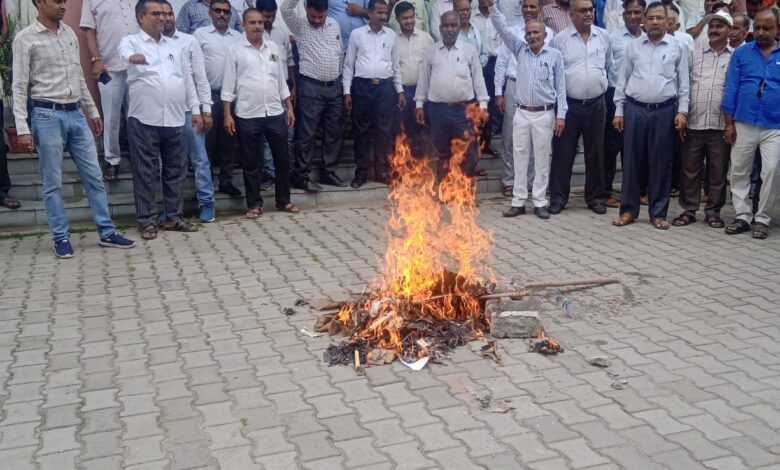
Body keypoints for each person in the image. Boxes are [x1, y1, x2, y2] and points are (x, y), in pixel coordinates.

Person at [12, 0, 135, 257]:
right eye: (57, 1)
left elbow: (78, 76)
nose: (63, 6)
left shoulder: (68, 33)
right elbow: (19, 86)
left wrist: (92, 111)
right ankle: (60, 236)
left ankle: (106, 231)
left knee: (94, 176)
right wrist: (22, 128)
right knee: (53, 181)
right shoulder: (25, 38)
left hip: (76, 114)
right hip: (46, 114)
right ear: (39, 2)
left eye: (65, 1)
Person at [120, 0, 201, 239]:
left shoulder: (174, 46)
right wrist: (132, 57)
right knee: (145, 171)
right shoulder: (131, 42)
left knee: (176, 169)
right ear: (141, 17)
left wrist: (196, 109)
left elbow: (187, 80)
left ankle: (173, 217)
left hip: (175, 117)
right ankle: (147, 221)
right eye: (155, 13)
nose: (162, 18)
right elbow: (123, 54)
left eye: (164, 14)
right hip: (144, 117)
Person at [612, 2, 689, 229]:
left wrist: (682, 111)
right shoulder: (634, 46)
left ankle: (658, 213)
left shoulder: (678, 47)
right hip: (635, 109)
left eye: (659, 18)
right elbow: (622, 79)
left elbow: (684, 83)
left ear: (668, 21)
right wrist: (619, 110)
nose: (655, 22)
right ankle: (628, 210)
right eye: (651, 18)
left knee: (661, 162)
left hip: (664, 111)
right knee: (631, 162)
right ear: (644, 21)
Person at [489, 3, 567, 219]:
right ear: (524, 36)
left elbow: (561, 87)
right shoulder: (519, 50)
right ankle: (518, 201)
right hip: (522, 113)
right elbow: (502, 27)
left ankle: (540, 202)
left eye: (536, 33)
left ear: (545, 35)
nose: (532, 36)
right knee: (520, 156)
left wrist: (561, 115)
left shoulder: (554, 55)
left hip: (545, 113)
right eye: (529, 33)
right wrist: (492, 7)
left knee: (541, 159)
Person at [222, 8, 300, 218]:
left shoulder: (272, 48)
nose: (257, 26)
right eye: (252, 23)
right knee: (251, 162)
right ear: (243, 25)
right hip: (247, 114)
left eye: (260, 22)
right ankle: (254, 204)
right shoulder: (235, 50)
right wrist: (227, 114)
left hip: (274, 112)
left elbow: (281, 81)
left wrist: (289, 107)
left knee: (282, 159)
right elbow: (228, 85)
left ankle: (283, 200)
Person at [548, 0, 612, 215]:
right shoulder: (559, 40)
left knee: (596, 153)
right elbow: (554, 74)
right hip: (569, 105)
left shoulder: (603, 36)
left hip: (597, 103)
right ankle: (558, 198)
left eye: (591, 10)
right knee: (563, 153)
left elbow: (608, 65)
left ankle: (595, 198)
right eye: (583, 10)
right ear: (572, 14)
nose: (588, 14)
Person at [722, 8, 780, 239]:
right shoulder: (741, 53)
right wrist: (729, 124)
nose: (761, 32)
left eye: (767, 28)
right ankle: (743, 216)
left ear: (778, 29)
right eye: (757, 28)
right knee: (739, 170)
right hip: (744, 121)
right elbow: (731, 88)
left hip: (775, 125)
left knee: (771, 171)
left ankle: (762, 218)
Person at [672, 9, 733, 229]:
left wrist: (731, 124)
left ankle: (713, 212)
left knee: (718, 171)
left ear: (729, 30)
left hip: (720, 124)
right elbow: (684, 85)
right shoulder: (694, 54)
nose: (714, 30)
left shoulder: (735, 56)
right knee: (690, 170)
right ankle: (689, 210)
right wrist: (682, 113)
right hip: (694, 122)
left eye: (719, 26)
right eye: (711, 26)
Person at [281, 0, 348, 192]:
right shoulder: (299, 24)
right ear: (306, 9)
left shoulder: (334, 24)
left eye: (321, 16)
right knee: (306, 134)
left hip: (334, 86)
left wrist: (341, 83)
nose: (317, 20)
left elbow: (339, 53)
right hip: (311, 87)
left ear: (327, 11)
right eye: (313, 16)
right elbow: (285, 8)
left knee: (334, 132)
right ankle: (301, 176)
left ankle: (328, 172)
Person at [415, 11, 490, 178]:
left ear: (459, 27)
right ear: (440, 28)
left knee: (467, 151)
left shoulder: (469, 50)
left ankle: (465, 188)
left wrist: (483, 105)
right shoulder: (431, 51)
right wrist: (419, 104)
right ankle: (444, 188)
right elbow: (423, 80)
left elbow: (478, 79)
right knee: (440, 152)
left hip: (463, 111)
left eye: (453, 25)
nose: (450, 29)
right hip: (437, 111)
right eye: (446, 25)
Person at [162, 0, 217, 223]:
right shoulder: (150, 44)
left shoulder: (188, 41)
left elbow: (200, 78)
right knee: (169, 163)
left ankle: (207, 203)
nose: (166, 18)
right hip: (164, 113)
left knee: (200, 159)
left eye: (169, 14)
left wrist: (206, 110)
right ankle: (172, 209)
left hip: (189, 111)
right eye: (161, 14)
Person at [494, 0, 553, 197]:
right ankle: (509, 180)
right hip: (514, 85)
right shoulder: (512, 32)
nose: (528, 9)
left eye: (533, 6)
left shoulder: (549, 34)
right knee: (510, 135)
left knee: (537, 137)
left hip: (539, 89)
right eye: (525, 6)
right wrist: (498, 91)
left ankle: (532, 182)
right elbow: (501, 62)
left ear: (540, 9)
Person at [343, 0, 405, 188]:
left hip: (385, 88)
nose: (384, 16)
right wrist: (347, 91)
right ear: (369, 13)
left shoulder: (391, 35)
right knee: (361, 130)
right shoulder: (357, 35)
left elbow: (395, 66)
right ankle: (361, 172)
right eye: (379, 13)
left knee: (384, 131)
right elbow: (349, 65)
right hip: (362, 87)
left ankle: (382, 171)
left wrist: (400, 90)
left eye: (385, 13)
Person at [79, 0, 140, 182]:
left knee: (138, 116)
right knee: (111, 117)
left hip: (138, 66)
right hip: (109, 66)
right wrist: (96, 60)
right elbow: (89, 30)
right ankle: (112, 160)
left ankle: (141, 158)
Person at [193, 0, 243, 197]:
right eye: (218, 11)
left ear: (231, 15)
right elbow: (193, 66)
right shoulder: (199, 35)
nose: (222, 14)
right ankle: (206, 185)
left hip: (231, 97)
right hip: (208, 97)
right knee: (207, 142)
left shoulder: (238, 37)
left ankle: (226, 181)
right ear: (210, 13)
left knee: (229, 141)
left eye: (226, 12)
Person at [602, 0, 644, 208]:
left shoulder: (648, 39)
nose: (633, 16)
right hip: (614, 96)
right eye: (629, 12)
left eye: (637, 12)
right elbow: (605, 66)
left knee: (635, 147)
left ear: (643, 13)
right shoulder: (613, 38)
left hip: (639, 98)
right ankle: (605, 192)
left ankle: (635, 192)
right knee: (611, 147)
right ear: (623, 14)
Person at [257, 0, 297, 191]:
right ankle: (270, 174)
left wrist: (294, 86)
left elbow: (290, 62)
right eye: (266, 16)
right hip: (264, 92)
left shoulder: (281, 33)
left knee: (288, 134)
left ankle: (286, 173)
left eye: (272, 16)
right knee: (266, 138)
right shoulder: (251, 34)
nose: (269, 20)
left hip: (284, 91)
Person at [395, 1, 434, 154]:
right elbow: (393, 68)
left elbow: (433, 66)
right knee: (402, 132)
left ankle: (421, 165)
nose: (409, 21)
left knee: (422, 132)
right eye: (405, 18)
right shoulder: (392, 39)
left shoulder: (426, 39)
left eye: (412, 17)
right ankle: (403, 166)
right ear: (397, 19)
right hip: (402, 93)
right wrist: (399, 92)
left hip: (423, 93)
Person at [473, 0, 502, 156]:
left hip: (494, 63)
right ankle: (473, 144)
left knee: (489, 105)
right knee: (475, 105)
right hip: (476, 64)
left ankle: (486, 143)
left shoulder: (498, 18)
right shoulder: (472, 18)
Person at [176, 0, 242, 33]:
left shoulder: (232, 10)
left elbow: (242, 34)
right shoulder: (189, 7)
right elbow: (180, 35)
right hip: (199, 53)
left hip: (228, 54)